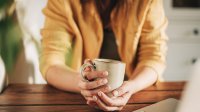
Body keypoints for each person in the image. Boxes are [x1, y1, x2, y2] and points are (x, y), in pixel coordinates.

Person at [40, 0, 168, 111]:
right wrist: (82, 83)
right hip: (77, 96)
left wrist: (132, 86)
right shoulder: (62, 2)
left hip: (138, 92)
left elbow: (153, 57)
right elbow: (51, 61)